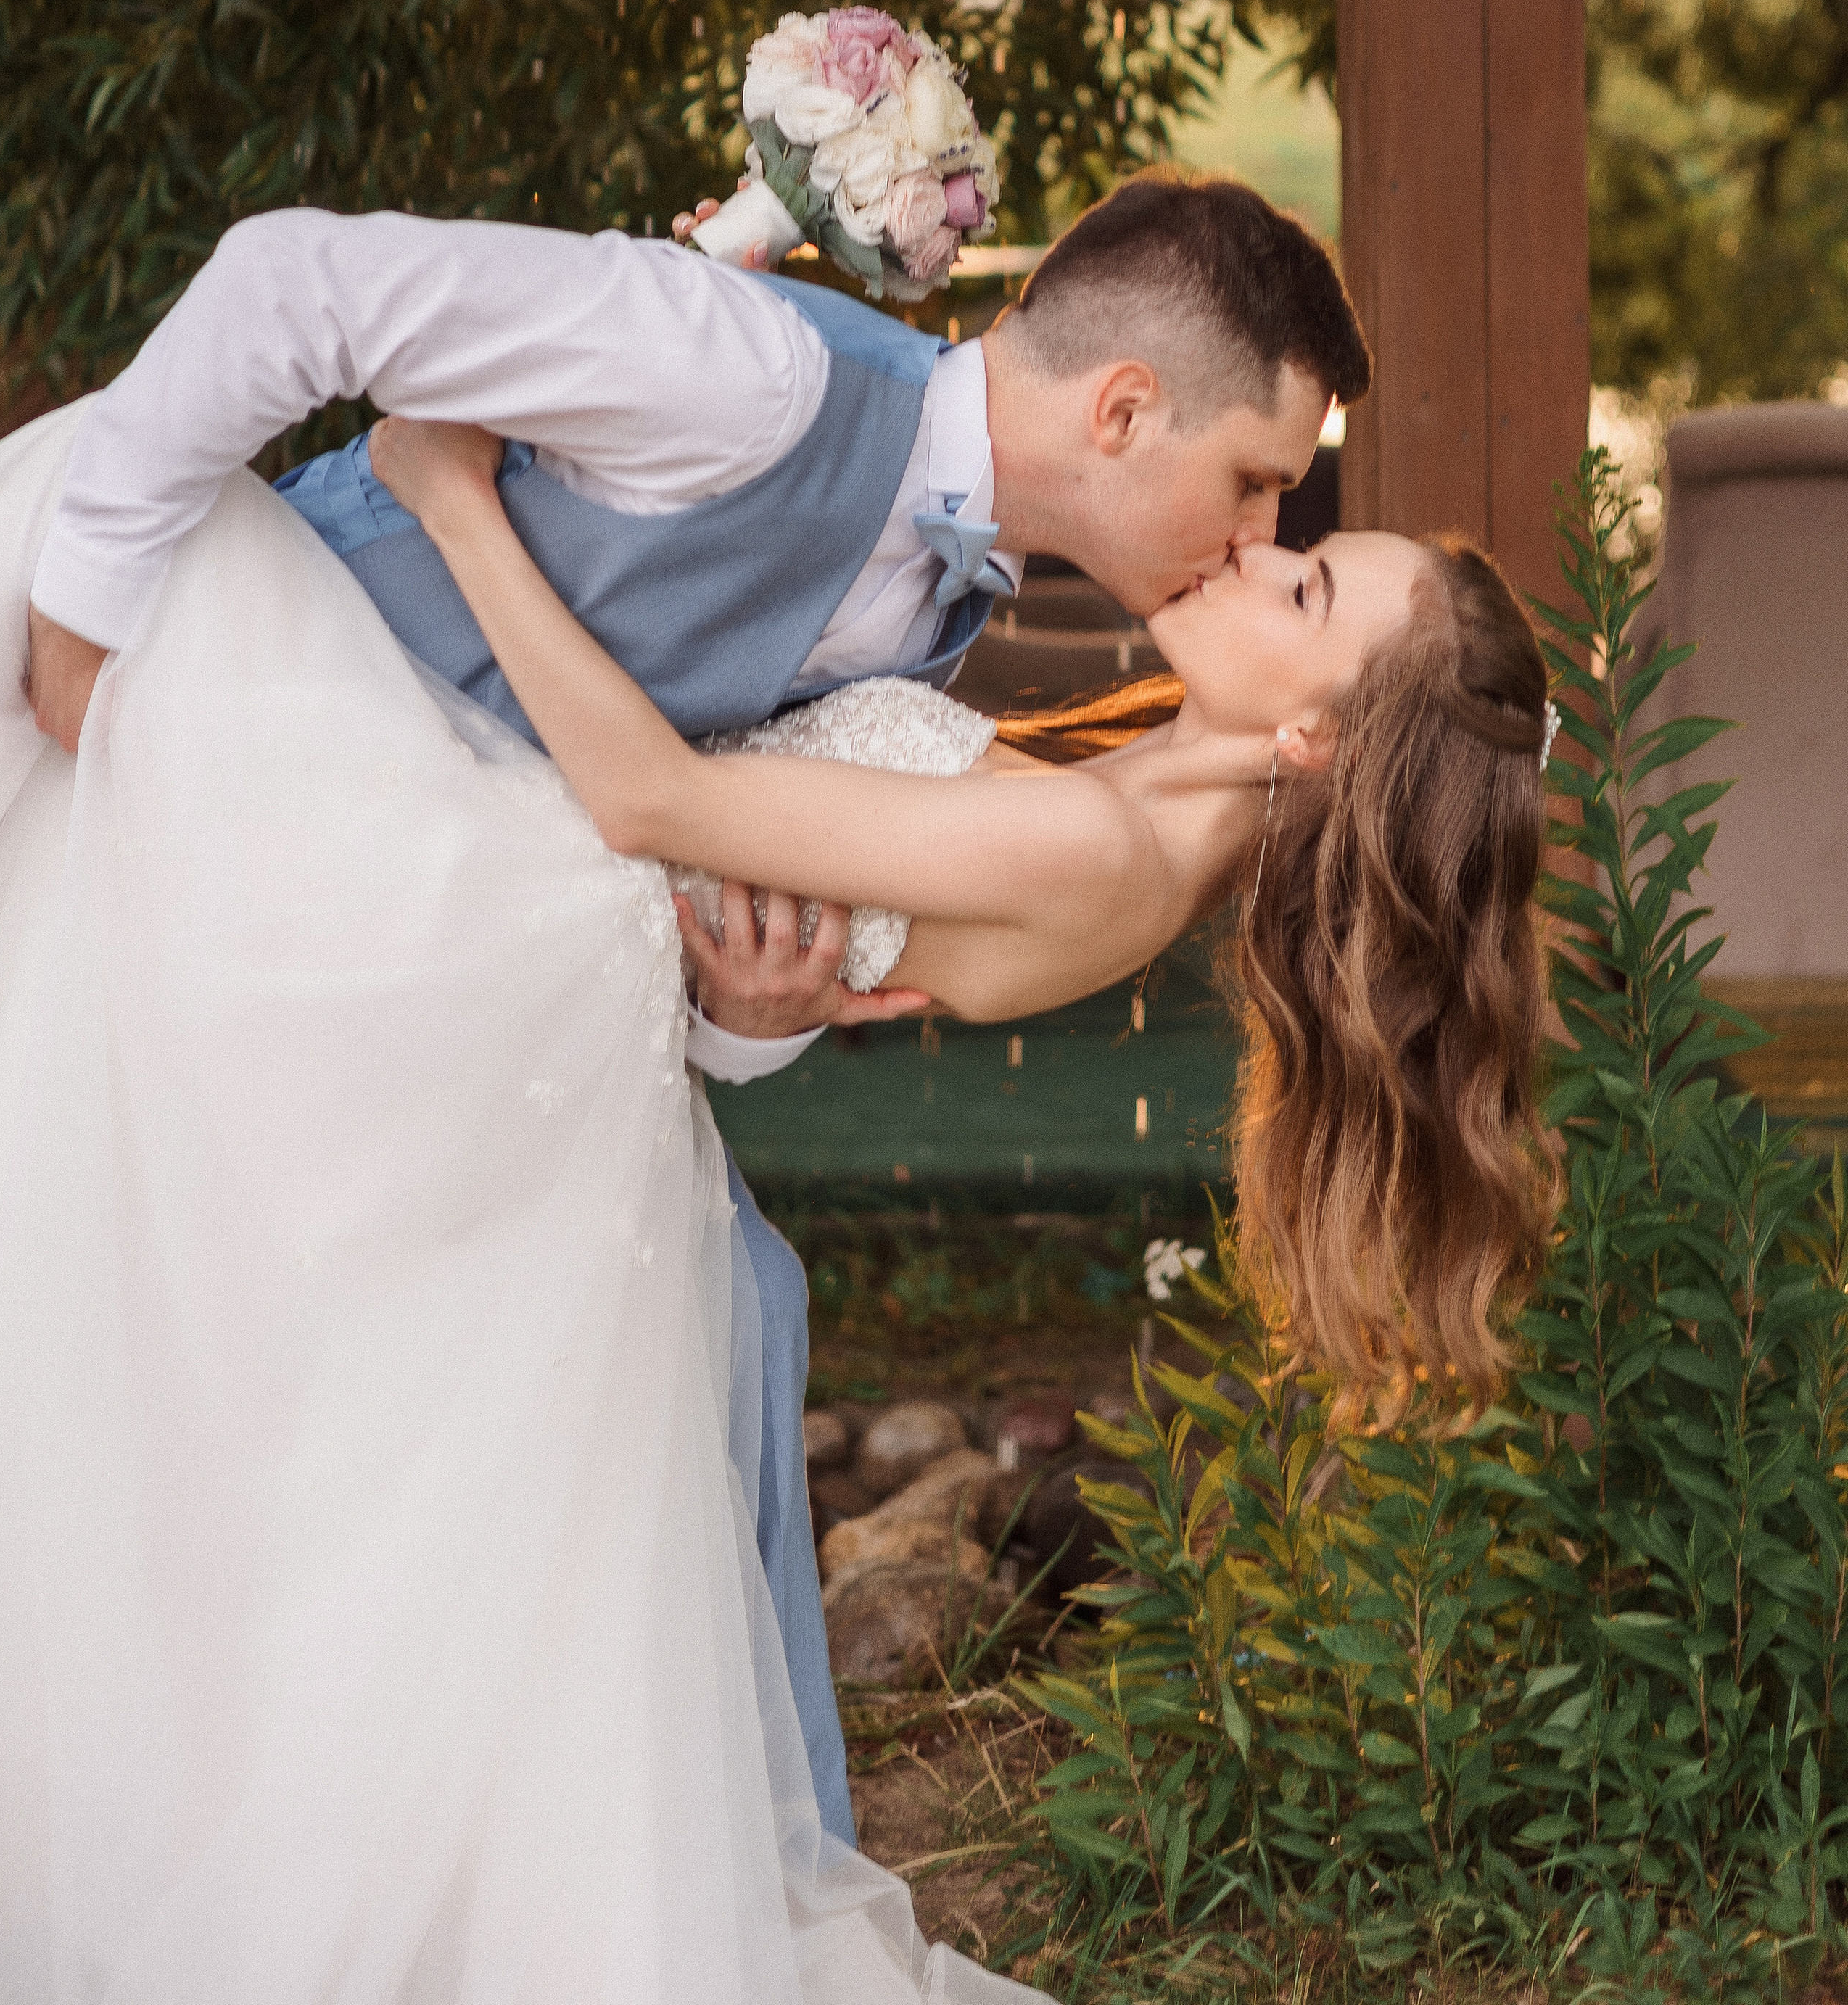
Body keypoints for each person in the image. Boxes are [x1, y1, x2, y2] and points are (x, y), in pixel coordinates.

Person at [17, 171, 1371, 1845]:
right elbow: (286, 278)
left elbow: (731, 864)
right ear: (1120, 406)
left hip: (405, 974)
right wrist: (82, 618)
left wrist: (751, 1013)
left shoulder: (943, 610)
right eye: (1252, 485)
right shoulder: (750, 374)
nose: (1255, 538)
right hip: (201, 754)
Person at [371, 410, 1561, 1416]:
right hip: (525, 891)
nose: (1250, 548)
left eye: (1302, 589)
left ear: (1313, 739)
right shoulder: (1123, 793)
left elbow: (650, 802)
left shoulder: (1104, 853)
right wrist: (753, 1020)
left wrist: (456, 504)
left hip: (498, 917)